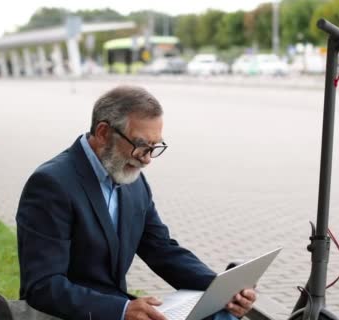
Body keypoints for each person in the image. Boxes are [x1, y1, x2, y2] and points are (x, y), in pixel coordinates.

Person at [16, 85, 256, 320]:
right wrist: (121, 311)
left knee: (221, 312)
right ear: (102, 133)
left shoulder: (132, 179)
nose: (148, 159)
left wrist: (219, 288)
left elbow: (161, 249)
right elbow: (43, 286)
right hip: (73, 314)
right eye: (141, 146)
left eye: (155, 147)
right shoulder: (51, 184)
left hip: (117, 307)